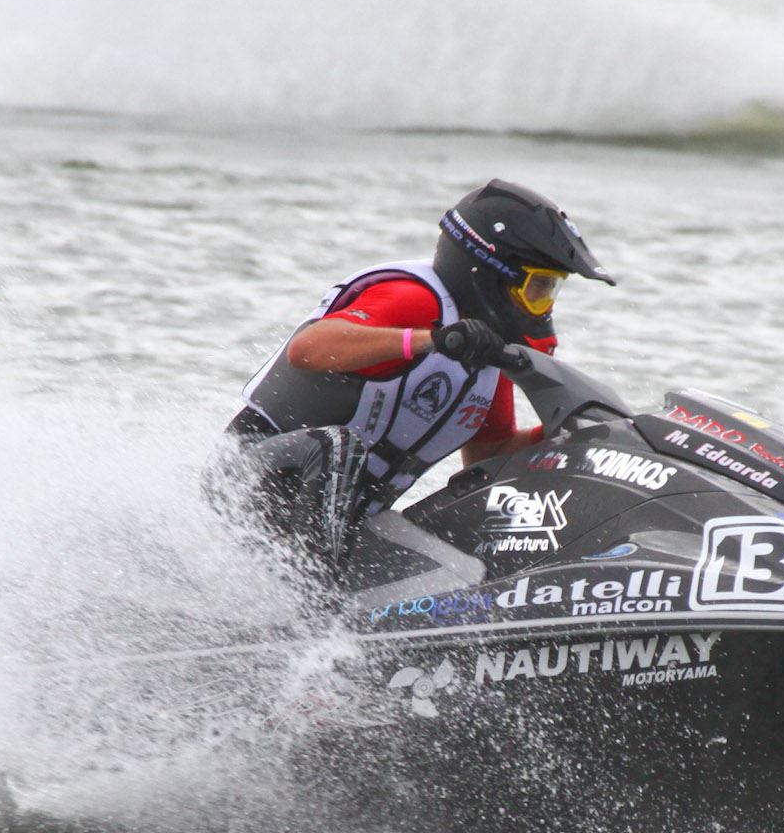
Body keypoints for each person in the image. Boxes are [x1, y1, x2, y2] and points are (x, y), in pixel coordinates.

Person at [224, 178, 615, 565]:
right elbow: (308, 349)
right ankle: (309, 611)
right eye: (538, 288)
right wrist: (432, 340)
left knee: (453, 553)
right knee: (338, 448)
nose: (544, 306)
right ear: (490, 272)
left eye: (551, 290)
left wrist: (569, 434)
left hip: (330, 527)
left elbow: (488, 454)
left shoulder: (482, 347)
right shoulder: (417, 300)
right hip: (251, 480)